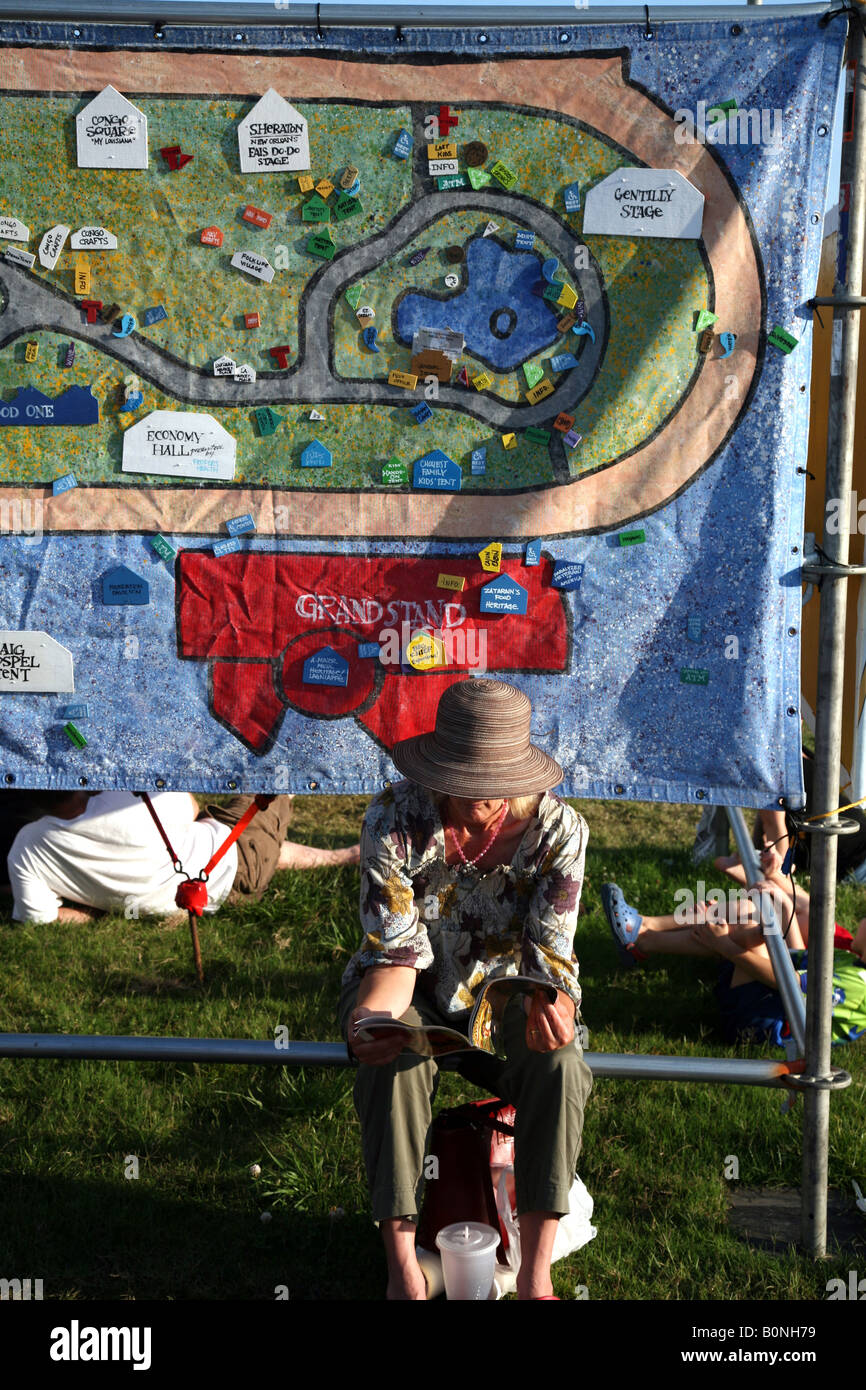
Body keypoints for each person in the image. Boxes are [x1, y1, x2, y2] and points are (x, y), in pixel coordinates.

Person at [337, 678, 592, 1301]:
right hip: (412, 986)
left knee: (559, 1064)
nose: (474, 796)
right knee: (389, 1060)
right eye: (461, 778)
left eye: (489, 781)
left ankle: (536, 1275)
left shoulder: (559, 832)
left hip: (508, 993)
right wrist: (372, 1018)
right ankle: (402, 1268)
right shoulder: (393, 817)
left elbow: (552, 954)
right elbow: (396, 955)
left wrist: (551, 1004)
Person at [7, 789, 359, 924]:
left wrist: (95, 910)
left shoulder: (27, 844)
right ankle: (344, 852)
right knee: (271, 779)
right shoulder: (125, 797)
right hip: (234, 863)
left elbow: (39, 919)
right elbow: (189, 807)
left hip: (218, 879)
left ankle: (344, 856)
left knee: (224, 827)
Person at [601, 879, 866, 1047]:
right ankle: (643, 932)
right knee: (755, 918)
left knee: (754, 924)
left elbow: (790, 983)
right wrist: (783, 908)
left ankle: (644, 938)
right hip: (764, 1000)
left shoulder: (860, 985)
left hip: (761, 1025)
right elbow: (795, 958)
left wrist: (725, 944)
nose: (861, 920)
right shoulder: (851, 961)